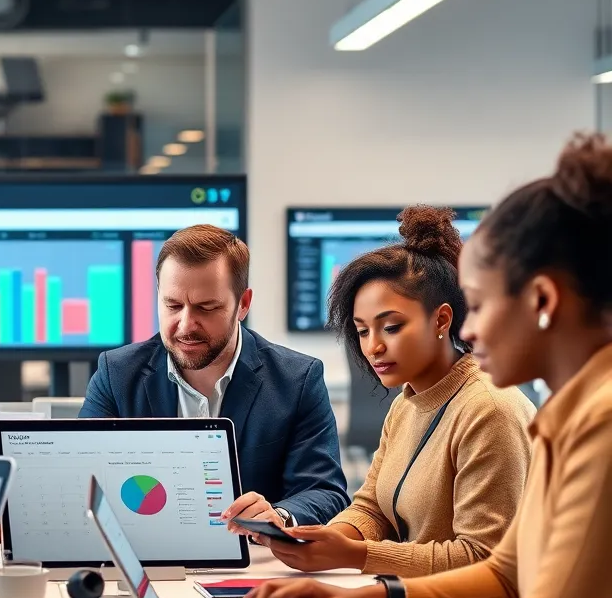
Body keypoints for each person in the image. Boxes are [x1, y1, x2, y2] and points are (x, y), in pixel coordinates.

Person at [238, 133, 612, 598]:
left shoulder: (590, 421)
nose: (466, 327)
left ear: (540, 301)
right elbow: (503, 575)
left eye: (474, 305)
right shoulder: (566, 413)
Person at [224, 205, 534, 576]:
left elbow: (483, 559)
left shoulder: (489, 409)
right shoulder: (407, 404)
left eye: (391, 327)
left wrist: (355, 555)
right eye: (362, 330)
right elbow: (372, 508)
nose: (373, 348)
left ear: (442, 319)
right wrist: (315, 541)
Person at [79, 224, 349, 527]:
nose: (185, 325)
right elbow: (82, 481)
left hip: (251, 560)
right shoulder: (116, 374)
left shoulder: (297, 379)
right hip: (147, 553)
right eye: (172, 305)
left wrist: (279, 515)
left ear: (243, 304)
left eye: (206, 308)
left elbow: (325, 491)